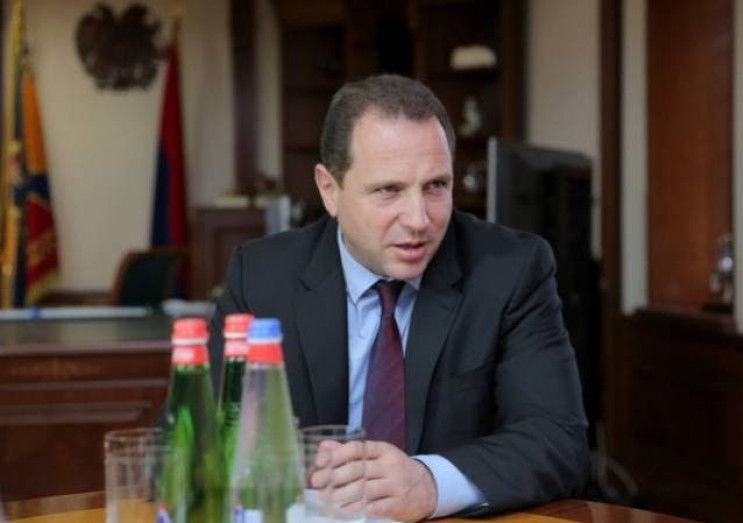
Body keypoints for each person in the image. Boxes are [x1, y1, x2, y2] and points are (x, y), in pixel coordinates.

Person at [208, 74, 589, 521]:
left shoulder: (510, 270)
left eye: (436, 186)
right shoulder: (262, 276)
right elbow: (203, 438)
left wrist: (428, 482)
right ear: (329, 190)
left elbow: (557, 441)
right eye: (388, 190)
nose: (418, 220)